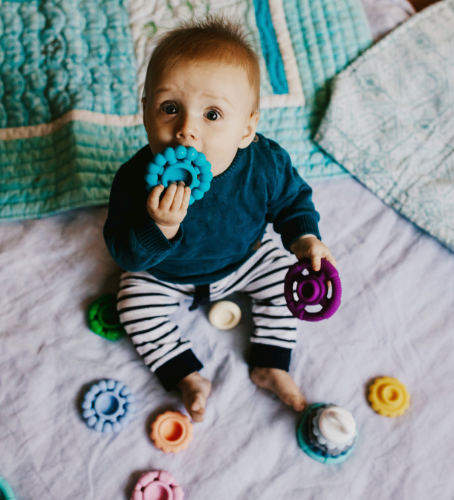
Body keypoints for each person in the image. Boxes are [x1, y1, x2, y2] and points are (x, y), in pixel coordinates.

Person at [104, 15, 337, 422]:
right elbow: (125, 253)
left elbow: (293, 200)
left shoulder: (263, 164)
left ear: (247, 129)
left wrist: (304, 240)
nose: (186, 131)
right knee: (132, 303)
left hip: (244, 260)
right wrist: (159, 227)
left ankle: (271, 364)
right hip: (166, 273)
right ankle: (188, 375)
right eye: (170, 108)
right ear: (145, 111)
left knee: (283, 280)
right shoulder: (133, 181)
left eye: (212, 115)